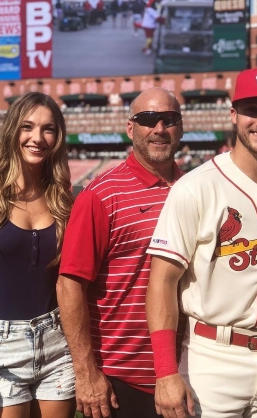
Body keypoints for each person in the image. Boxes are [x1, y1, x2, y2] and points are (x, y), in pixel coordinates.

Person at [145, 67, 257, 417]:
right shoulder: (196, 187)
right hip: (213, 360)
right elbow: (162, 281)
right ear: (234, 115)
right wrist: (165, 371)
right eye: (252, 109)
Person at [56, 87, 184, 418]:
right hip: (121, 380)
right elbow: (70, 285)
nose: (159, 129)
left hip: (189, 372)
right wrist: (86, 373)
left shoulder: (197, 189)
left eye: (168, 119)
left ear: (180, 126)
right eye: (148, 120)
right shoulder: (101, 195)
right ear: (131, 128)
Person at [0, 92, 76, 418]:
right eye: (27, 127)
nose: (38, 138)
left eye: (48, 129)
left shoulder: (64, 200)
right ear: (11, 132)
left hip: (58, 343)